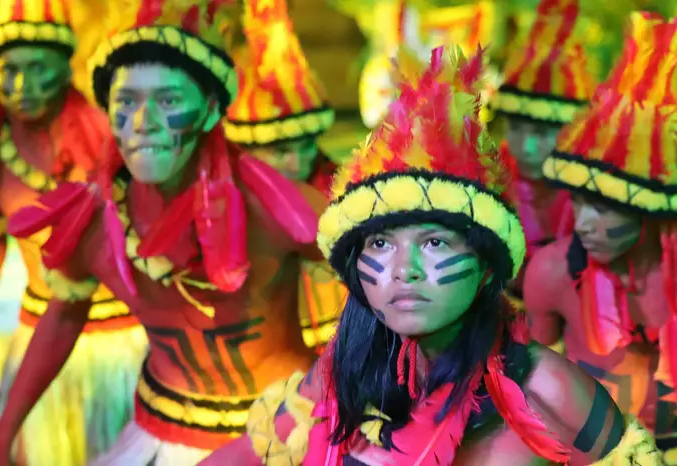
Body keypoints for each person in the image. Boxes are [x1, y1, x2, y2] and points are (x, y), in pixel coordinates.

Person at [200, 44, 663, 466]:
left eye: (435, 242)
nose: (404, 270)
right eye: (380, 243)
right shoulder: (337, 374)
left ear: (486, 266)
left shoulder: (553, 393)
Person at [0, 0, 328, 464]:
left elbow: (376, 282)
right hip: (156, 432)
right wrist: (1, 436)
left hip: (282, 433)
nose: (143, 123)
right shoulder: (97, 220)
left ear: (208, 111)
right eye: (126, 102)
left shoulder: (273, 205)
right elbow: (64, 316)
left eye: (167, 101)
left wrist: (328, 389)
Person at [0, 0, 147, 463]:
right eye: (7, 69)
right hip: (34, 348)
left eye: (37, 68)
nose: (21, 86)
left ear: (64, 63)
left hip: (123, 348)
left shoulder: (110, 138)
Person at [525, 11, 677, 462]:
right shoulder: (552, 272)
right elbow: (530, 395)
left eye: (606, 205)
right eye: (579, 200)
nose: (585, 221)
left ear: (651, 212)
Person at [223, 0, 344, 353]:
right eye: (279, 150)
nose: (298, 160)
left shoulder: (342, 195)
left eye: (307, 144)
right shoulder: (218, 207)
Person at [491, 0, 596, 302]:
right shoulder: (488, 173)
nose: (526, 145)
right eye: (516, 128)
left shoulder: (594, 186)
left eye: (541, 133)